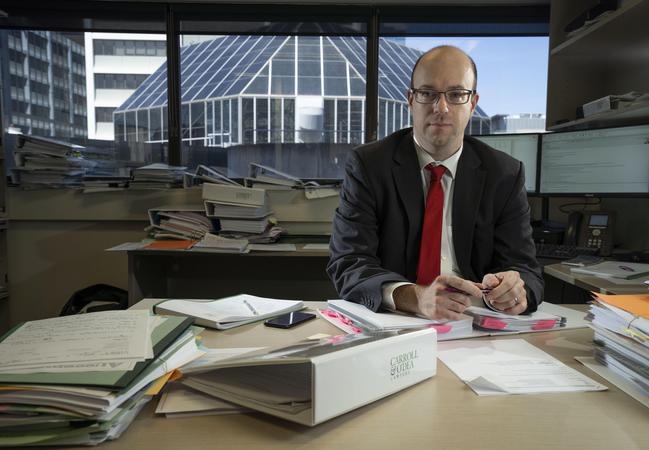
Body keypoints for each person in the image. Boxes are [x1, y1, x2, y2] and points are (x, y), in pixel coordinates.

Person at [327, 45, 543, 320]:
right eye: (427, 93)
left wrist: (515, 291)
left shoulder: (504, 174)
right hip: (397, 318)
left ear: (472, 103)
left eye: (455, 95)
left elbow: (526, 271)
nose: (441, 108)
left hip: (476, 323)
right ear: (410, 100)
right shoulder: (369, 165)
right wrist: (415, 297)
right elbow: (348, 262)